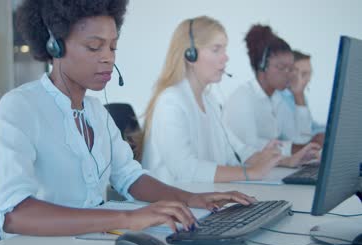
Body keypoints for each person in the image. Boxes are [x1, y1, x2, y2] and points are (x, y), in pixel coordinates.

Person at [0, 0, 255, 239]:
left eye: (113, 46)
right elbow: (15, 214)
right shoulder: (21, 106)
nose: (108, 57)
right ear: (55, 45)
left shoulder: (95, 111)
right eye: (94, 46)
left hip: (89, 244)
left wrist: (194, 199)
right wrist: (127, 218)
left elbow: (130, 177)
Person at [139, 16, 283, 185]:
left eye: (224, 49)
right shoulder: (170, 102)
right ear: (190, 55)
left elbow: (235, 150)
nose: (226, 57)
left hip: (201, 199)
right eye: (216, 49)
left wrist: (271, 158)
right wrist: (250, 172)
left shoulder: (210, 101)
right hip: (170, 203)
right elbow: (185, 169)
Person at [223, 24, 320, 167]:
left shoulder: (276, 98)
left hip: (268, 170)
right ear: (262, 66)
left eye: (291, 68)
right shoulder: (243, 98)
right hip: (243, 174)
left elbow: (300, 138)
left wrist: (298, 94)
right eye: (282, 68)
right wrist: (293, 150)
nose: (290, 74)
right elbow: (249, 150)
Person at [277, 50, 325, 146]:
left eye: (309, 73)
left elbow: (311, 126)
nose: (308, 79)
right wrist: (298, 95)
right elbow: (300, 138)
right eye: (304, 74)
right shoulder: (277, 99)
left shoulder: (293, 95)